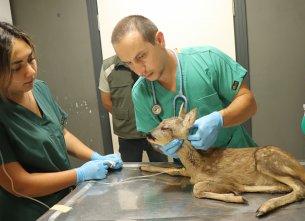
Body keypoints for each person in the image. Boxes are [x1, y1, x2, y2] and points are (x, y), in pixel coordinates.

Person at [0, 22, 123, 221]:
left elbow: (60, 132)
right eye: (16, 67)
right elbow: (18, 184)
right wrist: (79, 174)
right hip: (29, 211)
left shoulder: (39, 89)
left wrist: (94, 156)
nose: (30, 72)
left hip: (62, 202)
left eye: (31, 60)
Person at [110, 15, 258, 157]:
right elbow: (153, 139)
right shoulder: (140, 93)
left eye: (141, 56)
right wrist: (163, 147)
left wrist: (219, 120)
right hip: (193, 171)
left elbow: (249, 103)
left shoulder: (208, 60)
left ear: (160, 40)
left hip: (240, 160)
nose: (139, 70)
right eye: (129, 63)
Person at [98, 55, 167, 162]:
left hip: (155, 130)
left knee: (162, 171)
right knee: (129, 173)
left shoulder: (151, 60)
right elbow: (107, 102)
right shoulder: (108, 66)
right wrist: (127, 117)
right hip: (127, 134)